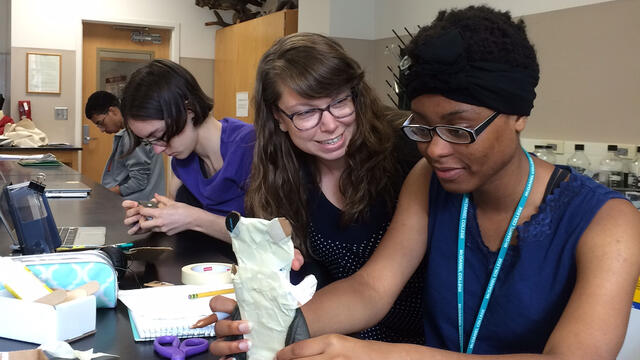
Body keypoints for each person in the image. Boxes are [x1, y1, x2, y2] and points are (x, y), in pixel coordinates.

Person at [210, 6, 640, 358]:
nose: (434, 150)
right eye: (423, 128)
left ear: (518, 115)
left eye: (458, 129)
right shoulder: (427, 181)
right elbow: (371, 288)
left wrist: (380, 355)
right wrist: (271, 322)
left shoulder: (609, 223)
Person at [244, 32, 425, 344]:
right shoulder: (282, 177)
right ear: (279, 118)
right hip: (330, 335)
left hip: (421, 343)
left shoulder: (410, 151)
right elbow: (297, 287)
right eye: (305, 112)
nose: (329, 125)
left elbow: (373, 289)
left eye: (339, 101)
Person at [120, 59, 255, 241]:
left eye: (160, 135)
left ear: (188, 109)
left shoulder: (250, 145)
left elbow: (276, 238)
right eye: (149, 141)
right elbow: (178, 212)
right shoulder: (182, 162)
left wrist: (194, 219)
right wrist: (154, 218)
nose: (158, 150)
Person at [85, 90, 165, 201]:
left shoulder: (133, 135)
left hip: (140, 204)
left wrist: (104, 193)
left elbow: (139, 182)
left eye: (100, 123)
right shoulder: (128, 132)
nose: (102, 130)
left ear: (112, 111)